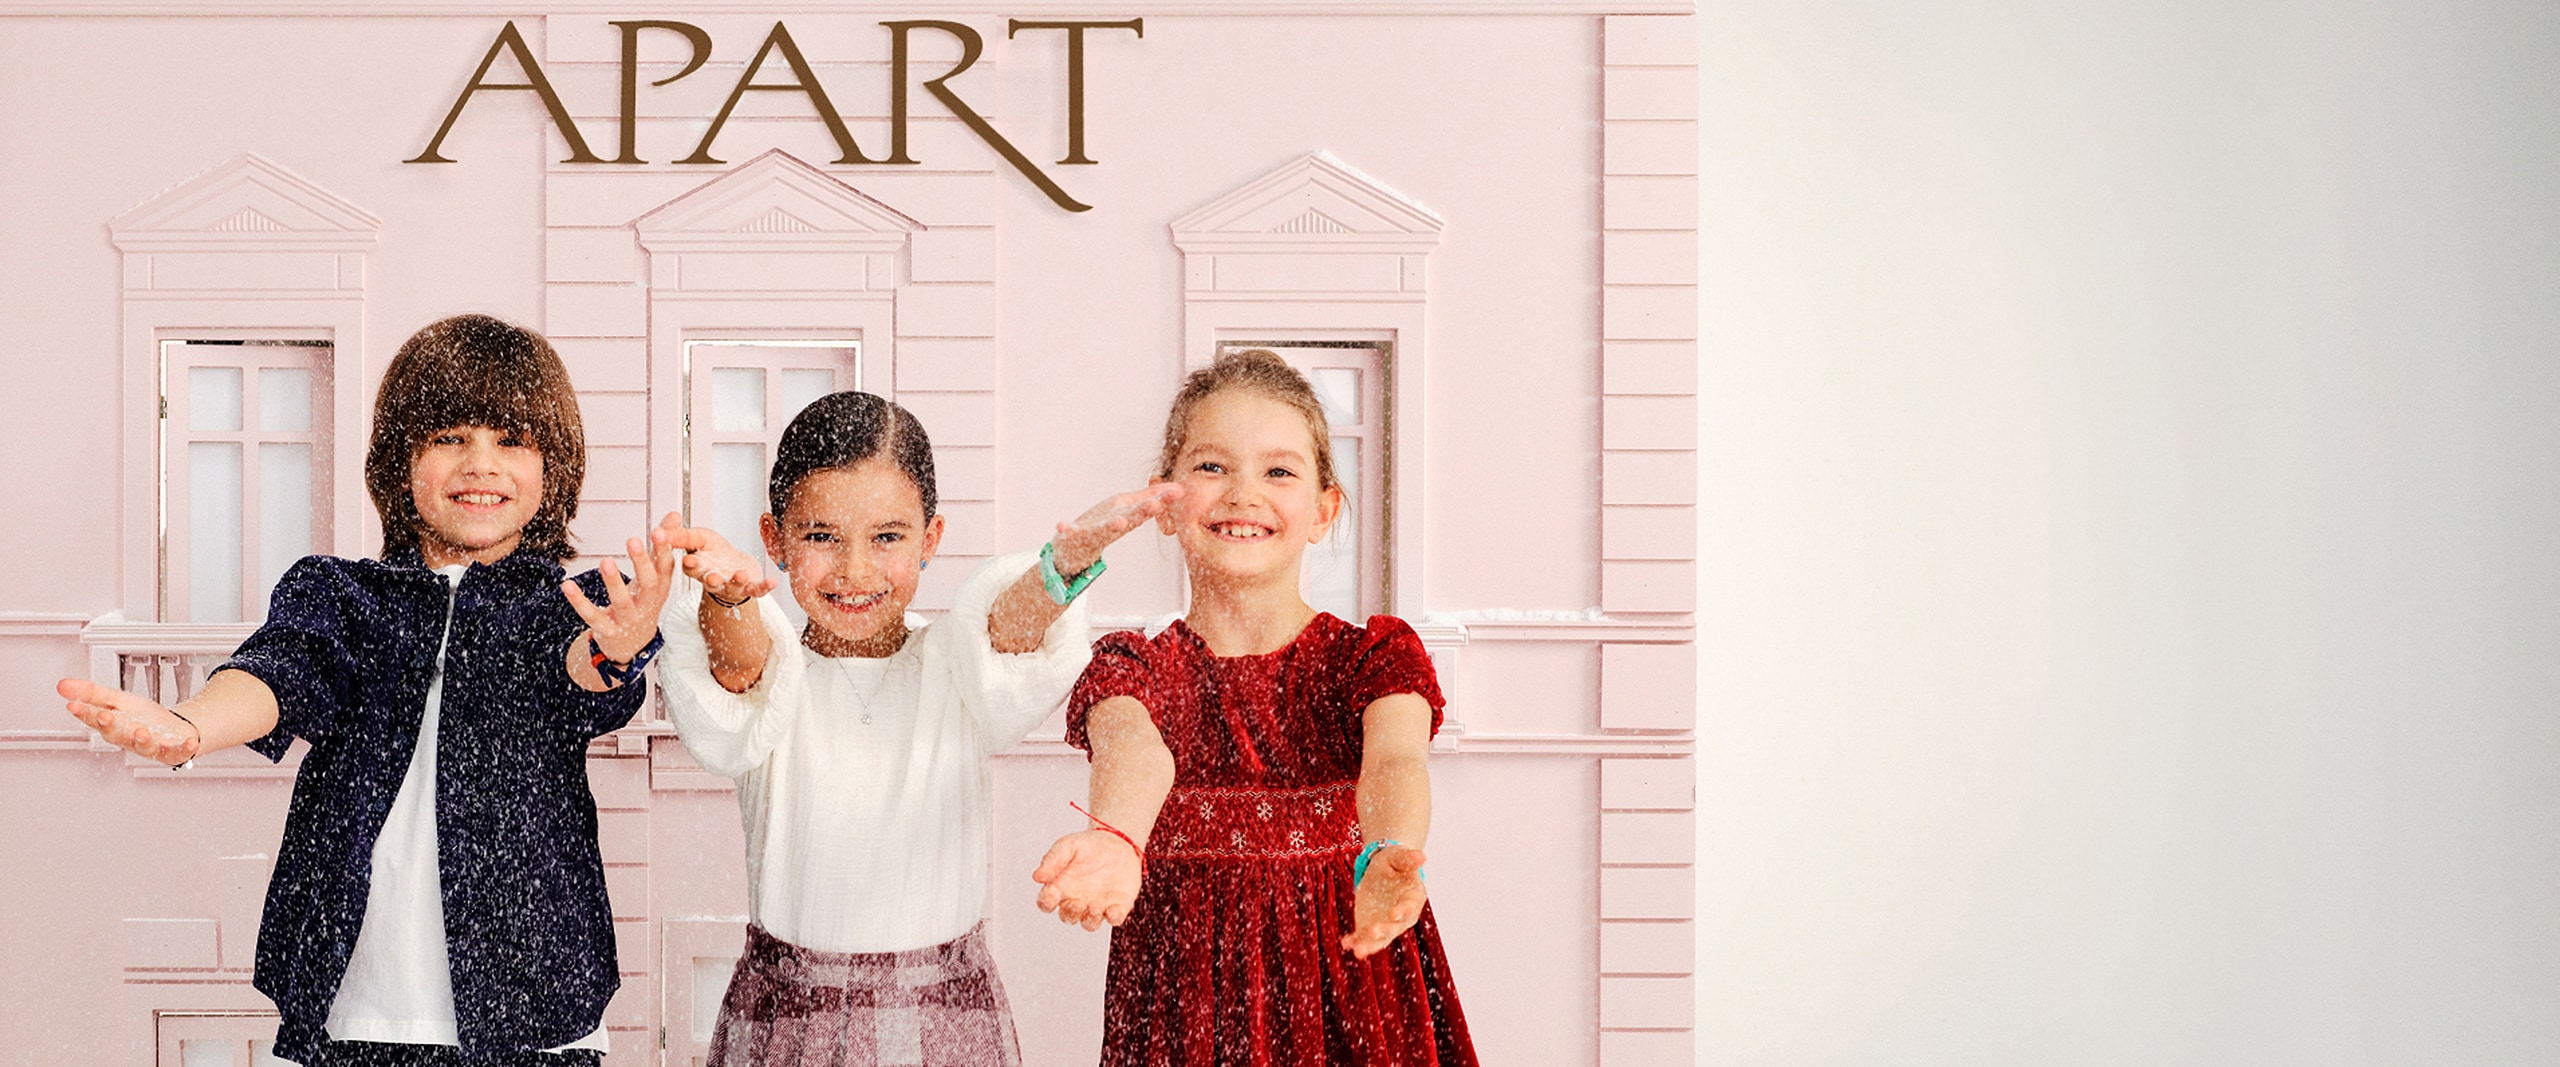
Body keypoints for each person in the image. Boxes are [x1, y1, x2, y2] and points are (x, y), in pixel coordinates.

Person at [57, 314, 673, 1067]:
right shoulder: (340, 593)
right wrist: (188, 724)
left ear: (554, 468)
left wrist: (614, 649)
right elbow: (279, 672)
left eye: (511, 440)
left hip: (535, 1014)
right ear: (398, 460)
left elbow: (587, 680)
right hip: (348, 1013)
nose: (481, 464)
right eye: (449, 437)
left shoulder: (567, 603)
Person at [651, 390, 1179, 1067]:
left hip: (943, 1017)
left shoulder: (956, 662)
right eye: (820, 536)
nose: (855, 569)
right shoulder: (774, 671)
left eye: (888, 536)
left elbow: (1007, 632)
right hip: (790, 1017)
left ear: (931, 537)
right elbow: (742, 665)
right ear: (774, 538)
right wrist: (727, 596)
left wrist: (1063, 567)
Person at [1031, 350, 1479, 1066]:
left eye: (1278, 470)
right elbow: (1134, 748)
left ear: (1324, 509)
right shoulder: (1137, 667)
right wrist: (1118, 836)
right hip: (1192, 1003)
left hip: (1351, 982)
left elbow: (1395, 757)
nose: (1244, 492)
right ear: (1166, 504)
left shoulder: (1367, 659)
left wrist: (1389, 849)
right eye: (1211, 467)